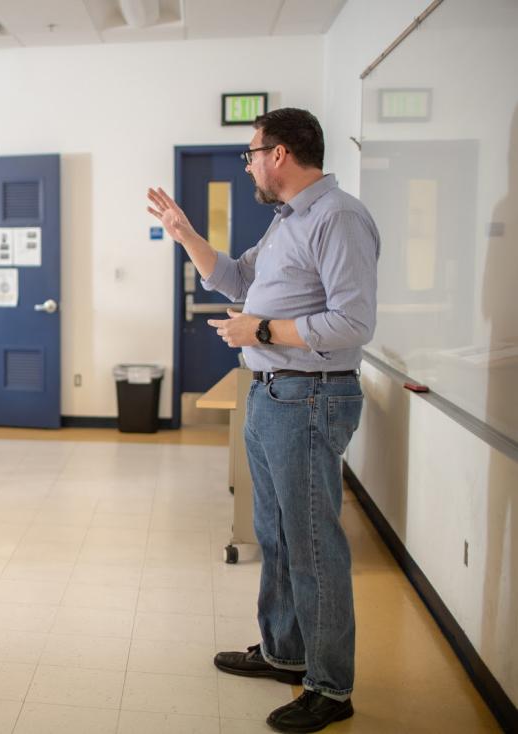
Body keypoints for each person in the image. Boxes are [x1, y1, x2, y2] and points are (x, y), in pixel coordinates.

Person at [147, 107, 379, 733]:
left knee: (311, 543)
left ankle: (330, 688)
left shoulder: (338, 218)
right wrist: (185, 233)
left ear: (279, 154)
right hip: (273, 393)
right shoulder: (289, 222)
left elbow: (353, 324)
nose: (248, 163)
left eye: (251, 152)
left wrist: (263, 328)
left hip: (309, 396)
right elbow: (237, 279)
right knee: (275, 533)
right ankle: (285, 651)